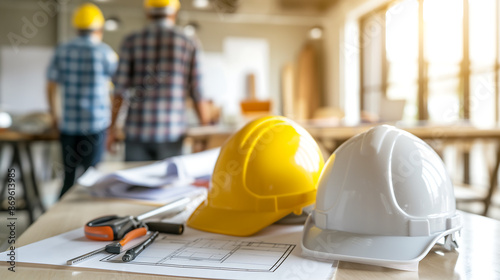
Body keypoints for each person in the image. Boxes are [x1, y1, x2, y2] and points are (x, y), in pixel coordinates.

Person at [107, 0, 210, 161]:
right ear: (174, 12)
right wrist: (205, 131)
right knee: (170, 186)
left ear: (147, 12)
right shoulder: (188, 42)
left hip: (137, 132)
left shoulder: (131, 41)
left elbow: (120, 91)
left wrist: (111, 129)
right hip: (172, 133)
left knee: (135, 185)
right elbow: (198, 92)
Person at [46, 3, 117, 198]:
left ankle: (57, 224)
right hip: (95, 126)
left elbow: (51, 86)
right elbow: (117, 90)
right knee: (92, 180)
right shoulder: (105, 53)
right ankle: (87, 223)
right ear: (99, 29)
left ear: (76, 27)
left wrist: (54, 115)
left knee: (68, 179)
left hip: (68, 126)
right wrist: (114, 122)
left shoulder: (62, 50)